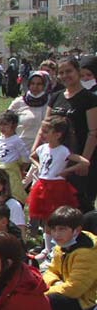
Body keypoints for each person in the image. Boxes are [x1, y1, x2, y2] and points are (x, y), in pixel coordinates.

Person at [42, 57, 97, 212]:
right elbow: (45, 126)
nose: (65, 75)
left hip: (79, 156)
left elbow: (93, 133)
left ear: (78, 72)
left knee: (79, 202)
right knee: (55, 202)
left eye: (69, 71)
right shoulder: (56, 97)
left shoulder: (90, 99)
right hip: (56, 157)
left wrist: (84, 161)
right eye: (61, 72)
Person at [42, 206, 97, 310]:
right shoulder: (62, 246)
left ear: (76, 230)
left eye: (62, 229)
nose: (56, 234)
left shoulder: (87, 252)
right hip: (64, 290)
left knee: (49, 300)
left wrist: (44, 291)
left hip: (85, 303)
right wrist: (55, 283)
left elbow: (75, 289)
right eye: (54, 229)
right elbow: (50, 271)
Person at [28, 116, 88, 227]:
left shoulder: (63, 150)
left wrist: (66, 170)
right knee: (45, 218)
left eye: (46, 132)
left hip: (56, 186)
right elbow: (32, 156)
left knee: (55, 216)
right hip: (42, 184)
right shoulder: (42, 148)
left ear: (57, 135)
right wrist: (39, 166)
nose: (42, 134)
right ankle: (46, 242)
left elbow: (85, 162)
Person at [7, 71, 51, 154]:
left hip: (43, 149)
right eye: (32, 83)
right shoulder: (19, 102)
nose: (35, 87)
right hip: (20, 148)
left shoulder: (51, 102)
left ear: (45, 85)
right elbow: (6, 122)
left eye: (39, 84)